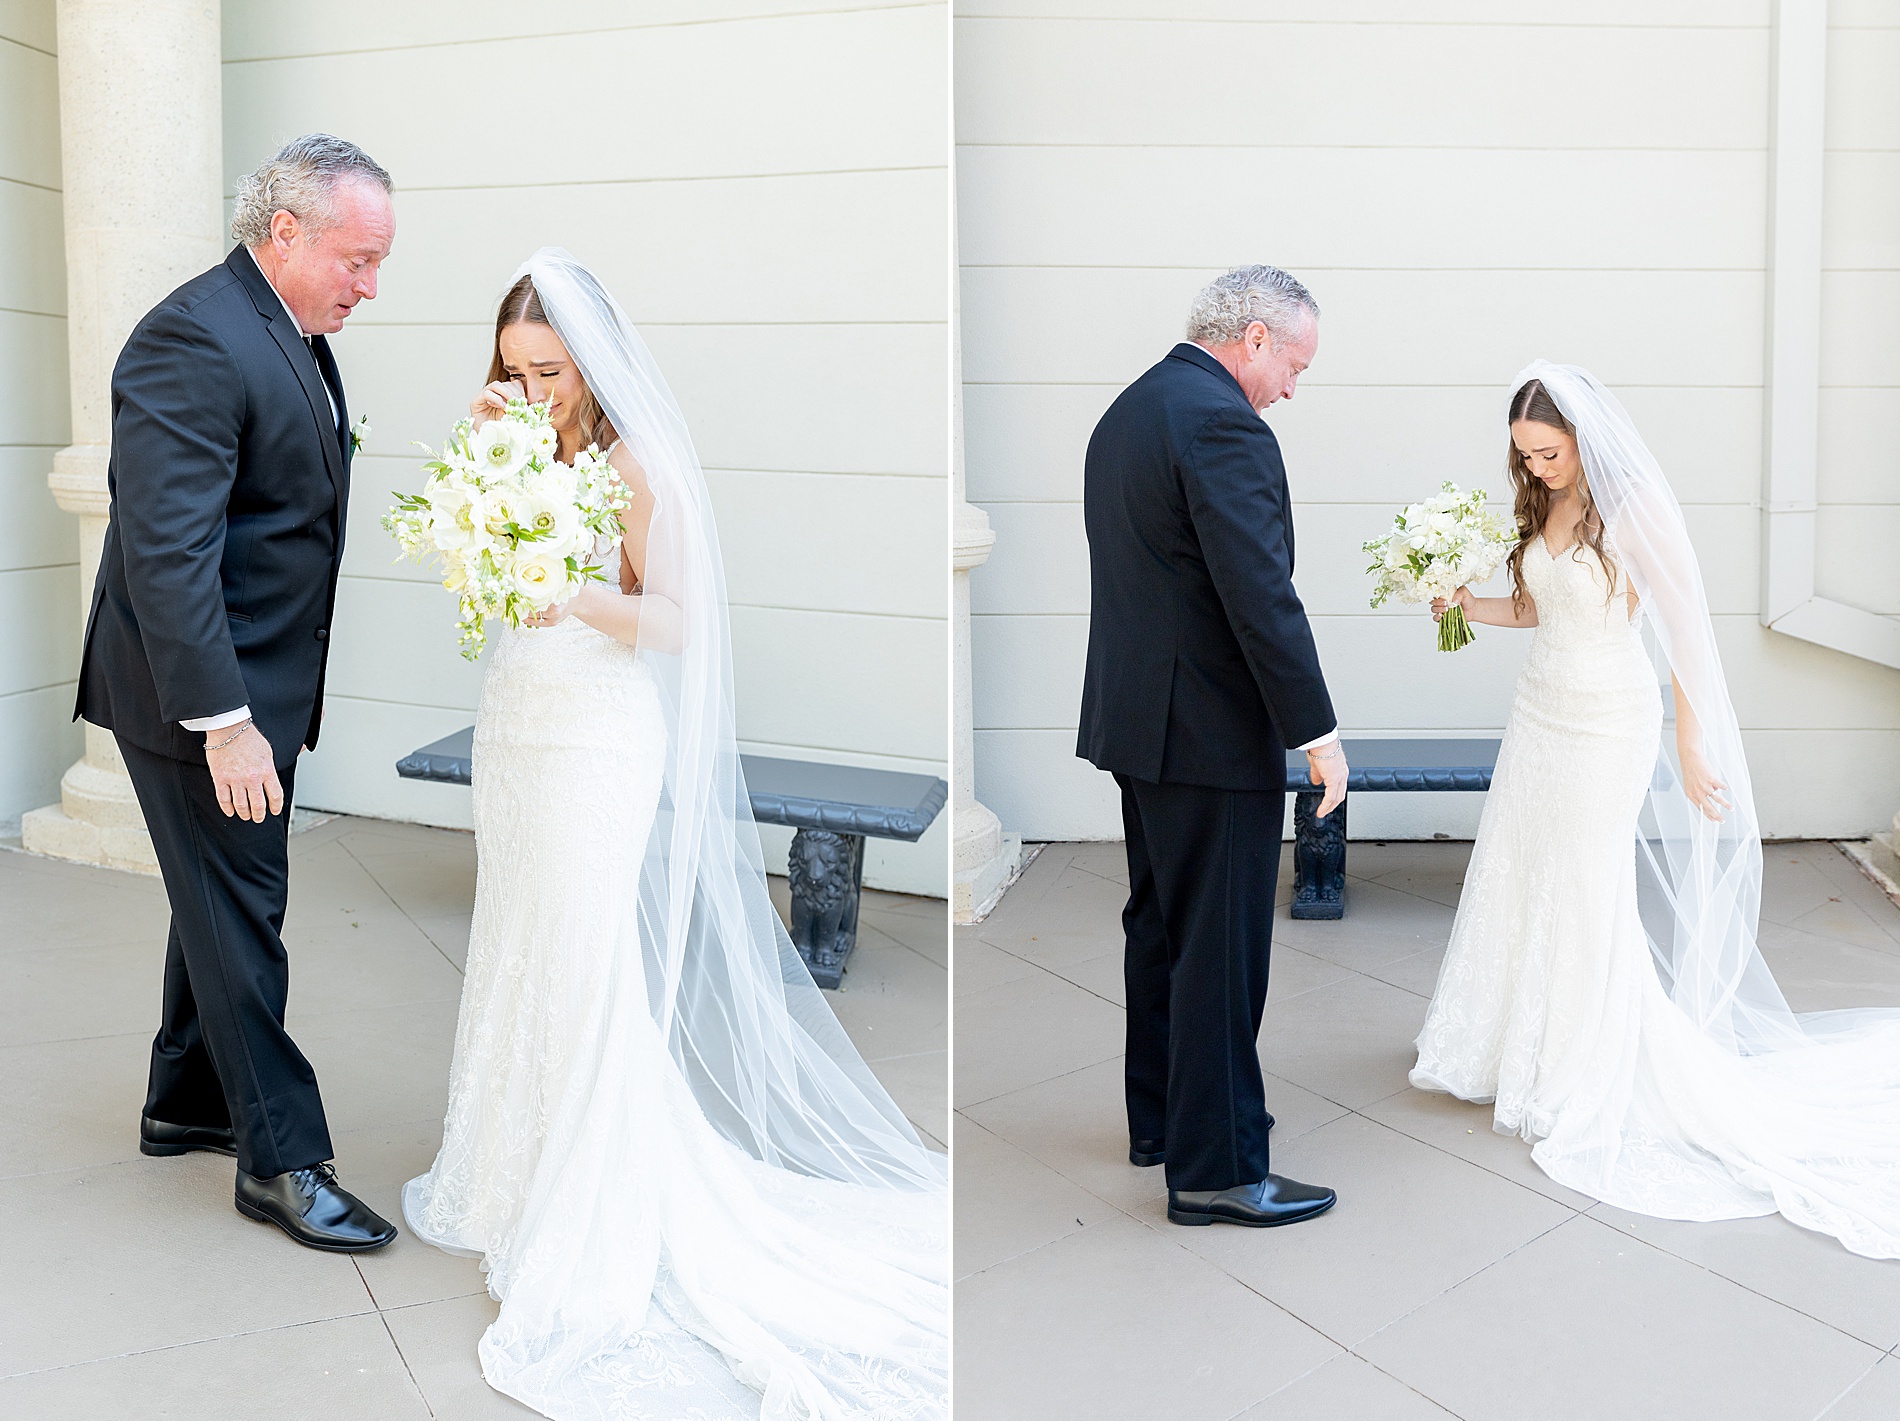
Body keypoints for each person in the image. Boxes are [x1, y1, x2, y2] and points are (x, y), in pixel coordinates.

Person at [402, 249, 948, 1419]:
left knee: (588, 951)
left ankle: (595, 1185)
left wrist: (571, 590)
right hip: (519, 715)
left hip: (599, 730)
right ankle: (507, 1168)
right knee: (518, 938)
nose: (533, 387)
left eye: (549, 368)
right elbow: (479, 565)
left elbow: (678, 621)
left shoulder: (637, 463)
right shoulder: (511, 441)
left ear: (594, 360)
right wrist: (485, 496)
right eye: (514, 367)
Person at [1413, 362, 1900, 1258]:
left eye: (1551, 452)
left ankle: (1585, 1064)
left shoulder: (1632, 510)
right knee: (1524, 870)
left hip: (1610, 721)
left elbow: (1685, 628)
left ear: (1583, 438)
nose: (1541, 467)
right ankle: (1517, 1050)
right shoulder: (1542, 503)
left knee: (1589, 883)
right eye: (1526, 455)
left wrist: (1690, 740)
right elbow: (1538, 602)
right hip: (1539, 714)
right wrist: (1462, 604)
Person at [76, 134, 398, 1252]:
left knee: (215, 898)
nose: (368, 284)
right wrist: (225, 725)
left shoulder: (288, 326)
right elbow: (165, 554)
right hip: (198, 695)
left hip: (259, 679)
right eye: (356, 260)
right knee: (243, 914)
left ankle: (185, 1099)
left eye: (378, 263)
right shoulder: (192, 338)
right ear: (286, 232)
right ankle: (281, 1158)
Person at [1076, 265, 1347, 1230]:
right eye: (1294, 364)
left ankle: (1162, 1122)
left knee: (1161, 930)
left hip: (1138, 723)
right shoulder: (1225, 422)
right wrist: (1316, 730)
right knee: (1221, 952)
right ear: (1257, 340)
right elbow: (1257, 593)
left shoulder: (1133, 407)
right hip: (1208, 733)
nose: (1291, 388)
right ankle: (1219, 1167)